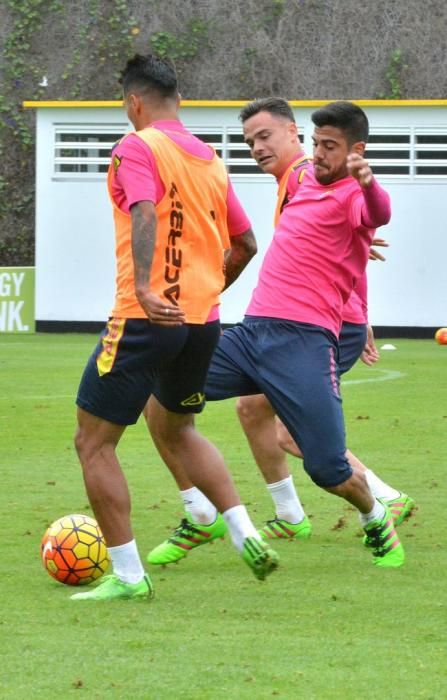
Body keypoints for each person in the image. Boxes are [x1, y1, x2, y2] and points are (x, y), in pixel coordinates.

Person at [146, 98, 413, 565]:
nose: (256, 147)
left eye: (264, 136)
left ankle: (375, 513)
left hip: (305, 342)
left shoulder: (343, 186)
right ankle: (203, 512)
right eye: (249, 141)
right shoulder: (306, 180)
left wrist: (367, 187)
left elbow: (379, 211)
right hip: (251, 334)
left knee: (326, 467)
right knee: (162, 393)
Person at [70, 54, 279, 602]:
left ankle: (129, 576)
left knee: (93, 443)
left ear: (133, 103)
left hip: (145, 317)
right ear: (178, 100)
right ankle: (244, 532)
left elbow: (144, 209)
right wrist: (205, 294)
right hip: (202, 323)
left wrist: (144, 288)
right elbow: (247, 244)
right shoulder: (210, 159)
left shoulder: (136, 146)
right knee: (177, 429)